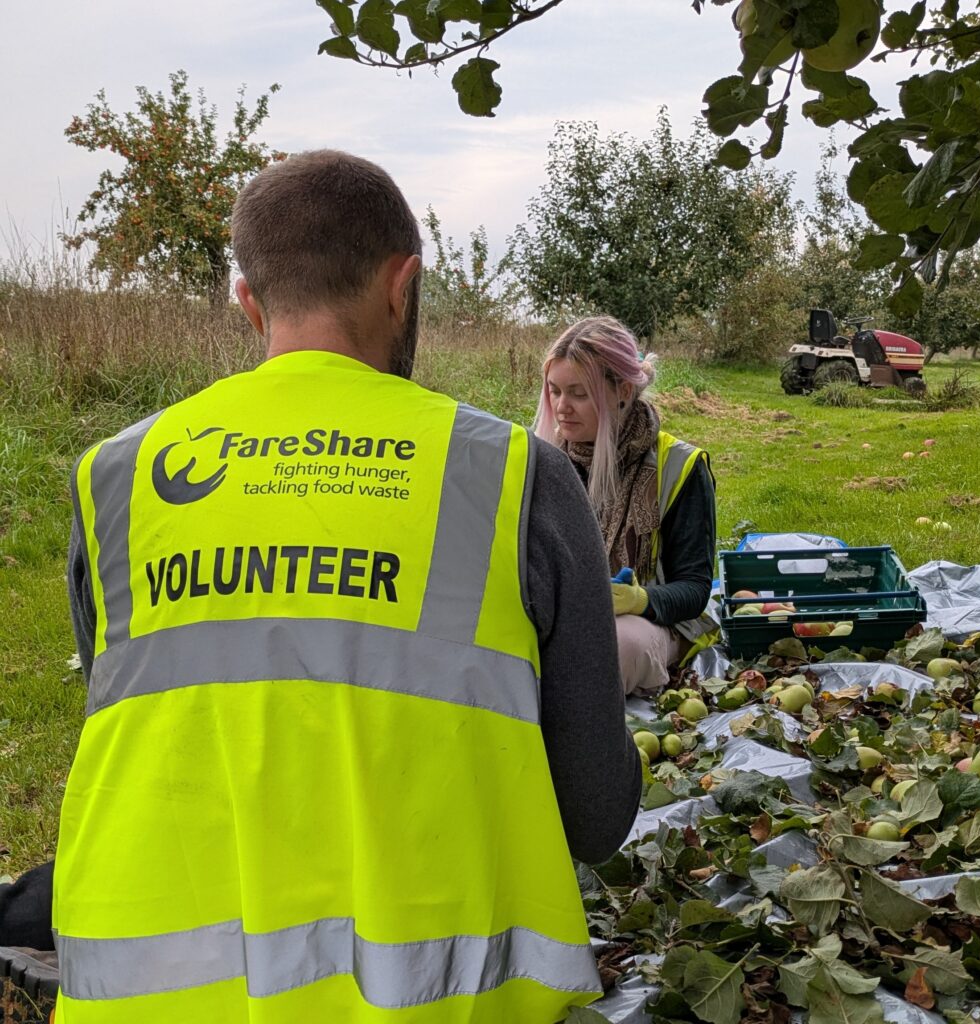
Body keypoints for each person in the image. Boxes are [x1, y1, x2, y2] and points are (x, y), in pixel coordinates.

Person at [46, 151, 641, 1023]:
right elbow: (596, 816)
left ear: (249, 302)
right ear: (402, 286)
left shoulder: (114, 479)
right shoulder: (515, 478)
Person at [534, 316, 717, 696]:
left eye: (579, 393)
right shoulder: (544, 458)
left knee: (612, 648)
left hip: (650, 622)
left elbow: (695, 588)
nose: (561, 407)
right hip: (561, 614)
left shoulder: (680, 467)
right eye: (554, 391)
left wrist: (640, 599)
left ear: (623, 390)